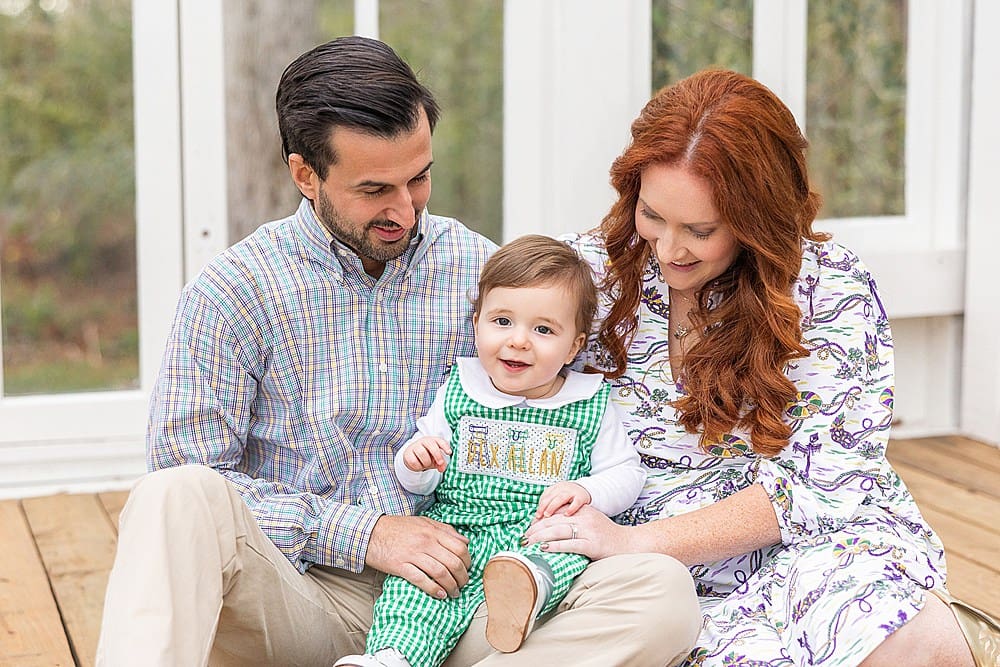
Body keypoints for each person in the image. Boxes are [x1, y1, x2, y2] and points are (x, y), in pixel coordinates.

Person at [95, 36, 700, 666]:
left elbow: (576, 391)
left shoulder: (483, 273)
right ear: (306, 175)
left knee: (661, 594)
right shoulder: (233, 294)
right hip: (304, 599)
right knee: (172, 496)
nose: (405, 210)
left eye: (419, 177)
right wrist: (366, 534)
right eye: (376, 189)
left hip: (467, 598)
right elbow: (196, 477)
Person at [523, 68, 999, 667]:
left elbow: (820, 485)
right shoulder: (585, 272)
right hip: (638, 563)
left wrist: (635, 543)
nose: (669, 249)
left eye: (701, 230)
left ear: (757, 216)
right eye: (652, 215)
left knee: (905, 639)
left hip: (806, 540)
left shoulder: (831, 291)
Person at [336, 235, 647, 667]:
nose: (518, 341)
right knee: (417, 589)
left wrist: (589, 492)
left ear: (574, 346)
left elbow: (627, 472)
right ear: (477, 322)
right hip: (455, 531)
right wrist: (416, 460)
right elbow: (424, 471)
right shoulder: (462, 388)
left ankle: (521, 595)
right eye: (502, 321)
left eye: (543, 330)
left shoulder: (588, 399)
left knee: (562, 556)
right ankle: (391, 657)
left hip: (536, 533)